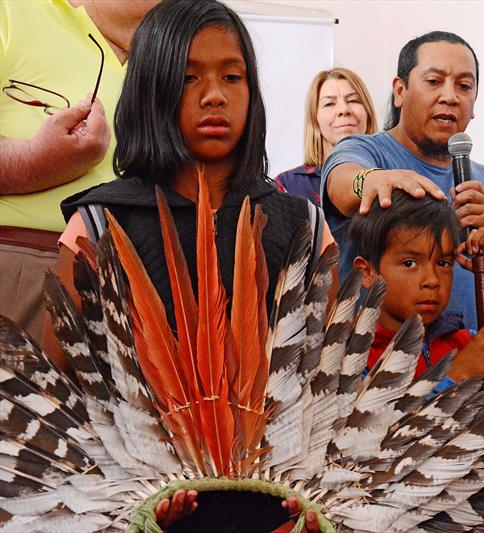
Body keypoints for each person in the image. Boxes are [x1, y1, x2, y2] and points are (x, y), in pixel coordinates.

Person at [56, 1, 330, 529]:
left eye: (233, 76)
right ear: (151, 90)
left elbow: (329, 382)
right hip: (134, 506)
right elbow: (65, 393)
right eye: (187, 78)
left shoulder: (302, 224)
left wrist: (318, 512)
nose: (215, 95)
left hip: (281, 505)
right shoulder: (99, 224)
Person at [321, 30, 484, 475]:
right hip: (384, 405)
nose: (450, 96)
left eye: (464, 86)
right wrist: (368, 183)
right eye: (434, 81)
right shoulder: (367, 151)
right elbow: (342, 182)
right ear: (399, 90)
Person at [0, 0, 158, 342]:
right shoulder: (11, 10)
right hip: (18, 273)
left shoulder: (196, 49)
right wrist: (31, 162)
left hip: (145, 299)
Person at [350, 190, 484, 413]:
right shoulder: (352, 357)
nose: (431, 281)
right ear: (367, 272)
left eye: (443, 263)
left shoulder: (465, 345)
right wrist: (455, 377)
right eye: (410, 263)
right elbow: (375, 433)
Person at [275, 67, 378, 206]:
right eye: (329, 104)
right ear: (314, 119)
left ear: (368, 113)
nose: (344, 110)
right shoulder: (287, 186)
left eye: (353, 100)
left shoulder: (391, 176)